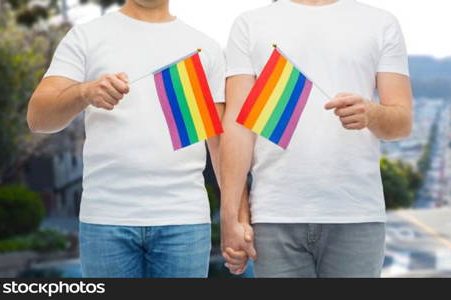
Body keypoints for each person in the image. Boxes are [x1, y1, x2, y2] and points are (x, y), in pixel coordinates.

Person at [27, 0, 233, 277]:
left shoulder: (203, 47)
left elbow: (220, 143)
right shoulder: (86, 36)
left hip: (184, 220)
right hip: (105, 220)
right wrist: (84, 92)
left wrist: (235, 217)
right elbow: (38, 118)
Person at [219, 0, 413, 277]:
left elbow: (402, 123)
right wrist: (231, 217)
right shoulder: (250, 24)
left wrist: (371, 113)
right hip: (275, 215)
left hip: (356, 215)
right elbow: (238, 126)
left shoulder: (381, 23)